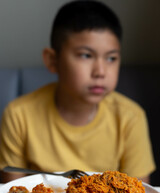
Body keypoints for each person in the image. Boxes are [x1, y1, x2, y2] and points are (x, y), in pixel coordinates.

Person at [0, 0, 156, 183]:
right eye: (86, 55)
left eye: (111, 58)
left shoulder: (130, 118)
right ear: (52, 60)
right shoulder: (19, 114)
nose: (100, 71)